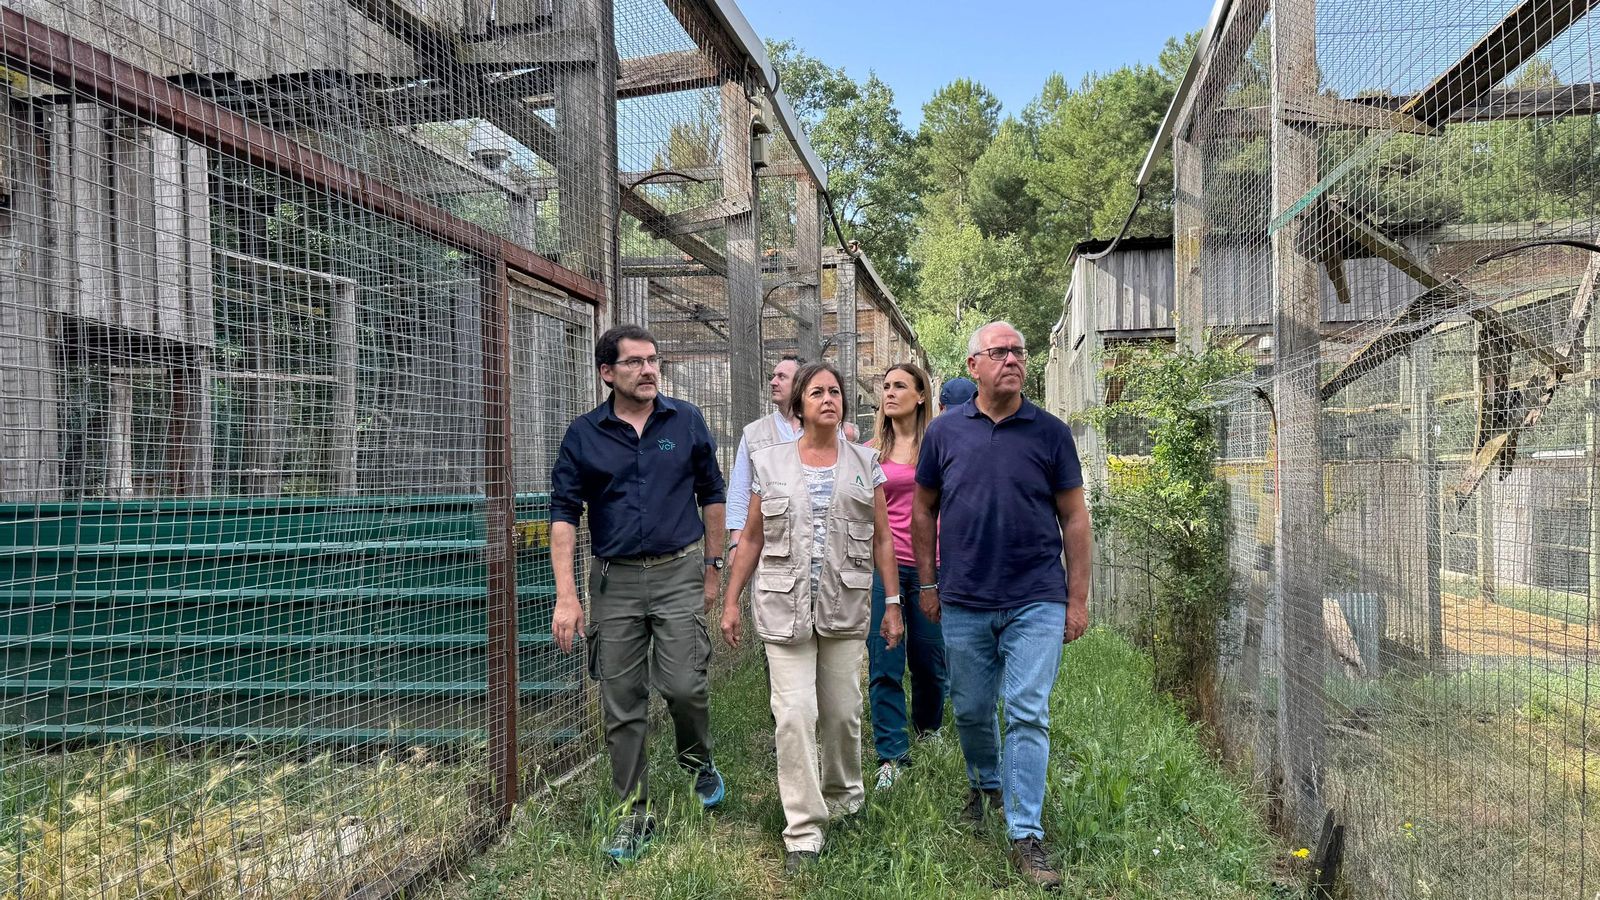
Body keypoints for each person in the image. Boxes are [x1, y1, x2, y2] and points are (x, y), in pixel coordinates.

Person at [912, 321, 1091, 891]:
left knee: (1027, 711)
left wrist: (1077, 598)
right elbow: (922, 511)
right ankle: (985, 781)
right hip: (963, 598)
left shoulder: (1051, 433)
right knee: (969, 708)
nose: (1013, 359)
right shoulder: (943, 434)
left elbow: (1075, 518)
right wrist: (929, 585)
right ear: (974, 366)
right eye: (1000, 352)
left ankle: (1025, 833)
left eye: (1019, 350)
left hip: (1036, 596)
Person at [549, 324, 729, 865]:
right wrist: (567, 594)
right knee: (621, 701)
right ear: (607, 372)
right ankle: (634, 814)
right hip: (614, 581)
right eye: (635, 363)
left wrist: (714, 568)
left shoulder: (687, 420)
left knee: (682, 687)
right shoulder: (584, 435)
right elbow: (563, 514)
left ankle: (697, 759)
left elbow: (713, 495)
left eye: (653, 360)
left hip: (679, 572)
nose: (649, 370)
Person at [719, 362, 905, 875]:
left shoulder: (867, 462)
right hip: (785, 607)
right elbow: (753, 536)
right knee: (795, 715)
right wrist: (731, 599)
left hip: (845, 605)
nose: (829, 399)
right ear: (798, 405)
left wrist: (893, 602)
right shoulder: (769, 461)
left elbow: (884, 538)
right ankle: (803, 829)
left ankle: (844, 798)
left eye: (836, 392)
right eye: (818, 392)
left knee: (844, 712)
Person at [865, 362, 947, 791]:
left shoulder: (939, 446)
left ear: (920, 395)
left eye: (900, 386)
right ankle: (891, 755)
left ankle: (929, 728)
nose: (890, 392)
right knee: (885, 659)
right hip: (886, 568)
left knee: (931, 662)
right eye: (885, 386)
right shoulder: (869, 453)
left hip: (934, 565)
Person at [726, 354, 805, 566]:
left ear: (800, 384)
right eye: (772, 376)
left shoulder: (823, 429)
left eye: (781, 376)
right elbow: (740, 488)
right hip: (768, 543)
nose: (773, 382)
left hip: (812, 538)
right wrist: (735, 542)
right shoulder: (754, 433)